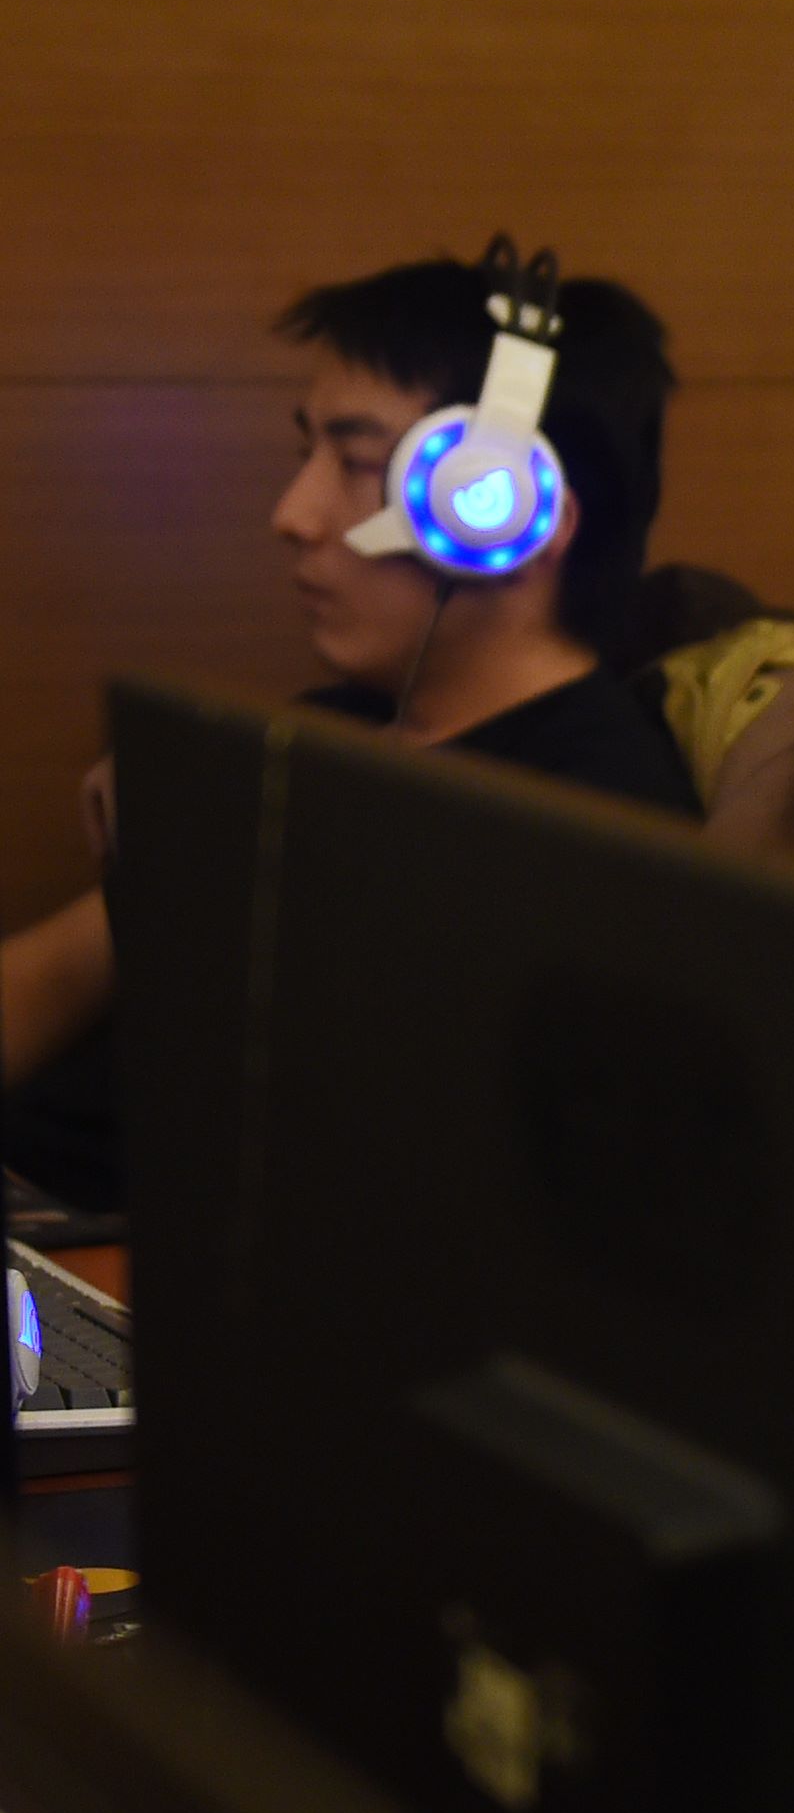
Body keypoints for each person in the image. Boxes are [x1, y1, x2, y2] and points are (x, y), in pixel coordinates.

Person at [2, 246, 689, 1200]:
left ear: (504, 512)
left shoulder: (590, 832)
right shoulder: (319, 737)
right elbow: (42, 987)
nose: (294, 513)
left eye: (358, 461)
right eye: (306, 454)